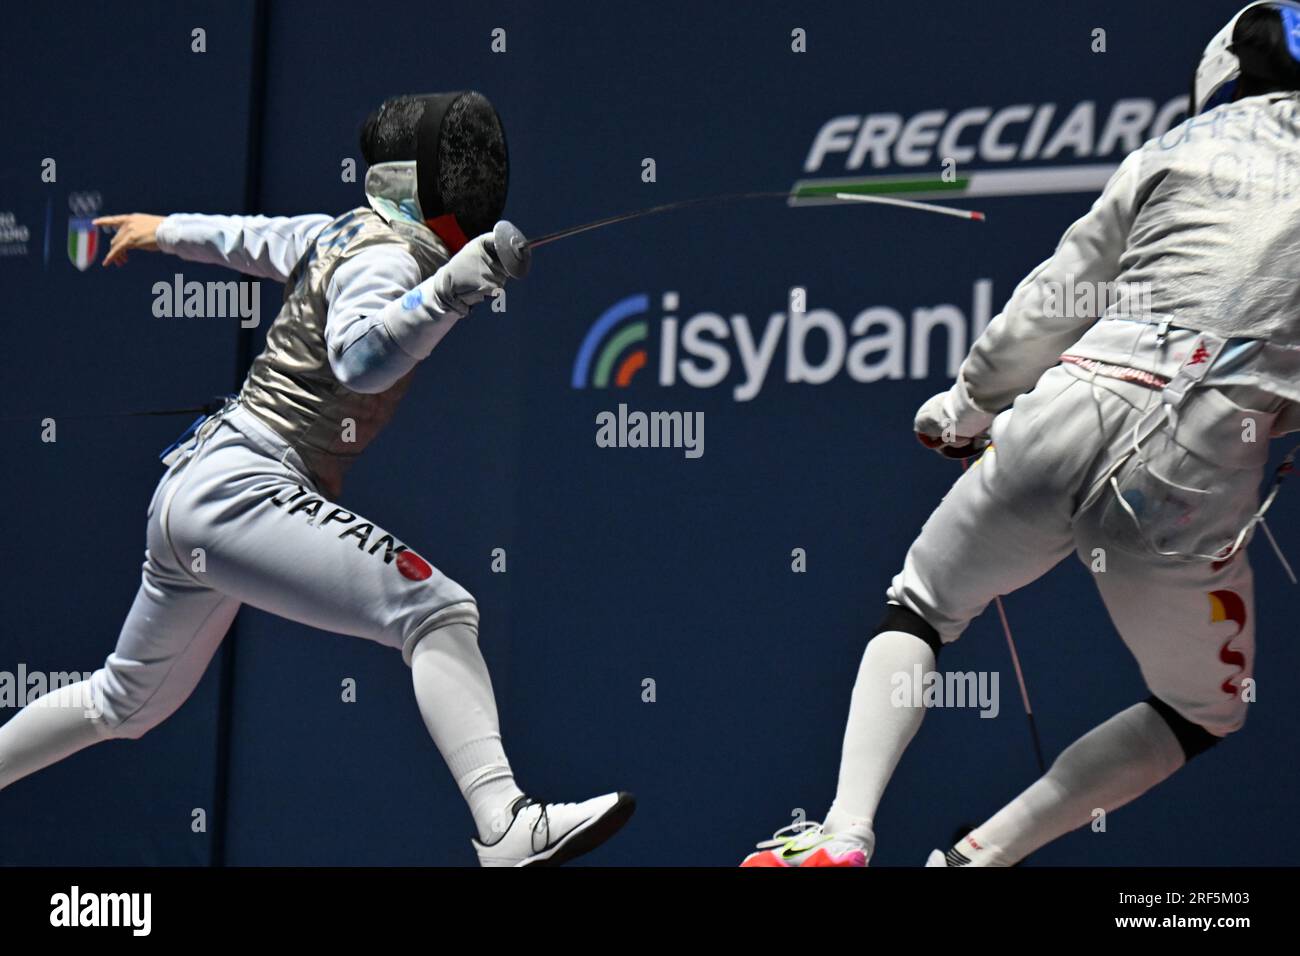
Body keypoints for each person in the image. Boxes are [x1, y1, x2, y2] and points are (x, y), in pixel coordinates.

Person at [0, 91, 633, 867]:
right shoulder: (386, 256)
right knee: (437, 610)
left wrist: (159, 229)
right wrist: (449, 292)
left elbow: (248, 238)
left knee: (122, 701)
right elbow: (360, 361)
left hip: (204, 492)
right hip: (242, 488)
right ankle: (505, 823)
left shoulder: (345, 231)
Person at [743, 2, 1300, 868]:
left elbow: (1058, 293)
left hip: (1072, 402)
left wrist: (964, 408)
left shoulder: (1172, 149)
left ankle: (842, 835)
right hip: (1196, 469)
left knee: (922, 605)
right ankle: (977, 860)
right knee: (1200, 711)